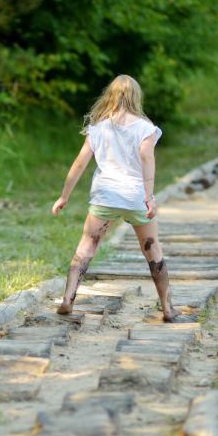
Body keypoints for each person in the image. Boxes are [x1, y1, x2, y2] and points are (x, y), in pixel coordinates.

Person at [51, 74, 187, 322]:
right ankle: (167, 308)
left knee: (86, 246)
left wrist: (64, 196)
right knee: (152, 249)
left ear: (110, 95)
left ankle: (68, 299)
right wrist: (149, 196)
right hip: (135, 197)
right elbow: (146, 159)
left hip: (105, 197)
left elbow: (80, 163)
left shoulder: (98, 127)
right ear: (136, 97)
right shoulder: (145, 129)